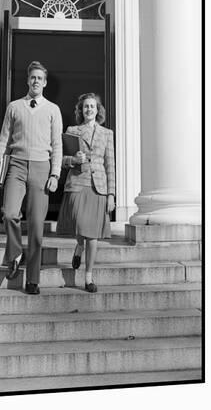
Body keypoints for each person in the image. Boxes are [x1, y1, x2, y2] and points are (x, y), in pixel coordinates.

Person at [0, 61, 63, 295]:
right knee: (10, 213)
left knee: (35, 226)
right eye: (32, 77)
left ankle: (33, 279)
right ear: (28, 80)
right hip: (17, 165)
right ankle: (14, 254)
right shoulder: (14, 107)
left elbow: (57, 144)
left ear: (44, 82)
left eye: (39, 78)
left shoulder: (53, 109)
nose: (35, 81)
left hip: (42, 168)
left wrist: (55, 174)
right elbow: (4, 138)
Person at [57, 92, 115, 293]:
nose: (89, 109)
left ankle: (88, 276)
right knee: (78, 225)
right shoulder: (72, 130)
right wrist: (74, 159)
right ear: (81, 110)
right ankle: (78, 246)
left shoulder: (107, 133)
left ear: (98, 110)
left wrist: (111, 195)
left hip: (98, 186)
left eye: (92, 106)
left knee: (93, 235)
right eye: (85, 107)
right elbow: (61, 159)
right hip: (77, 182)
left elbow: (110, 165)